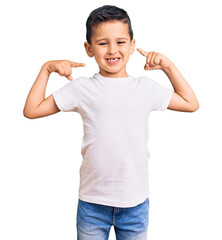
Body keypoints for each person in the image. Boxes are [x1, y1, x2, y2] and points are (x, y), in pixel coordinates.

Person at [23, 4, 199, 240]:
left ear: (133, 45)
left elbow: (191, 103)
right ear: (89, 48)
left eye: (120, 42)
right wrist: (46, 69)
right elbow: (31, 110)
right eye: (103, 43)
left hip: (135, 203)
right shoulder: (81, 88)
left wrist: (167, 66)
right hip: (92, 204)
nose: (112, 50)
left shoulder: (145, 88)